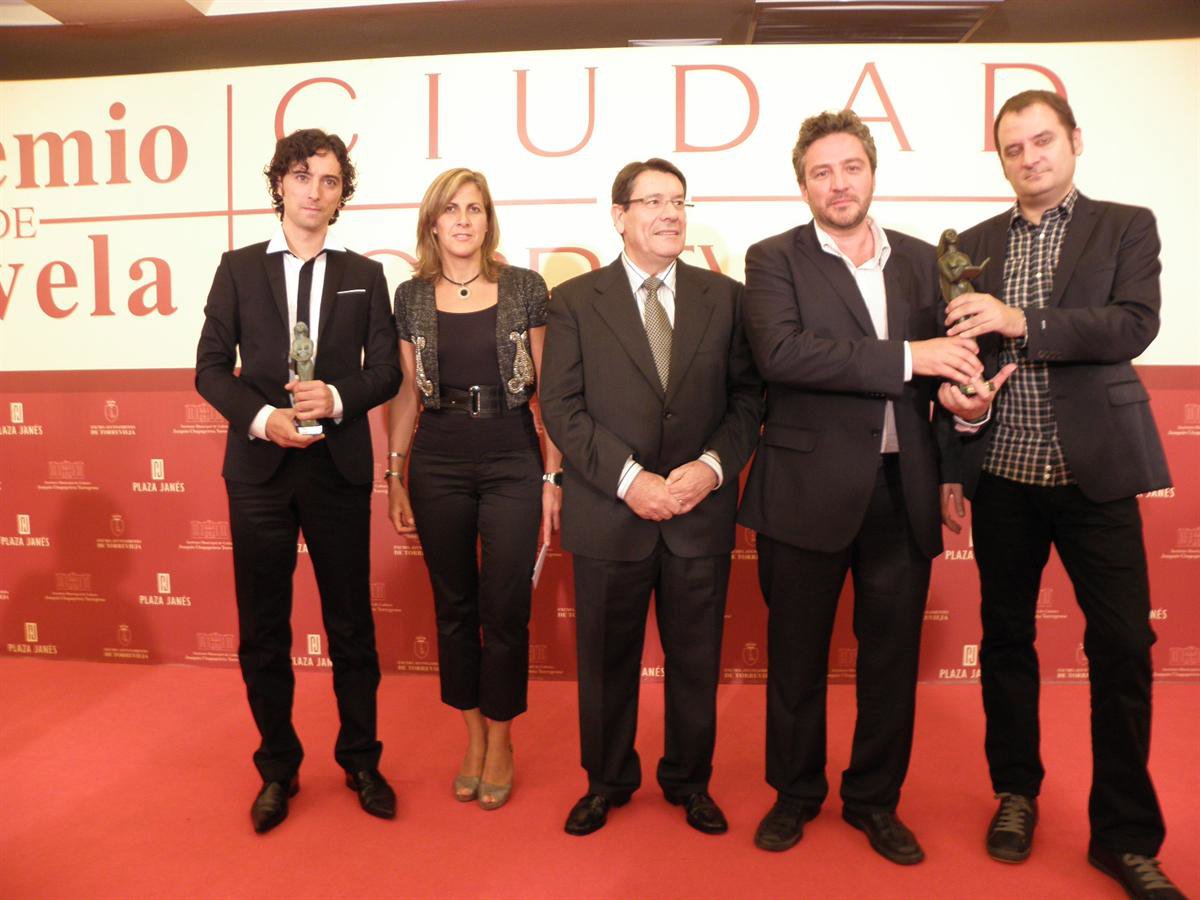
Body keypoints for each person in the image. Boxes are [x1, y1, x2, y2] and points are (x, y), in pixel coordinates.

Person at [938, 89, 1183, 898]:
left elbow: (1132, 324)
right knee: (1005, 642)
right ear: (1001, 160)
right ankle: (1016, 793)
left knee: (1123, 648)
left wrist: (1023, 320)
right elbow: (959, 360)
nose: (1030, 157)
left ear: (1074, 140)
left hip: (1095, 476)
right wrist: (957, 439)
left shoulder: (1126, 225)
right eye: (1013, 148)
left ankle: (1124, 836)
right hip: (1003, 476)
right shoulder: (973, 244)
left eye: (1042, 140)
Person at [737, 110, 997, 865]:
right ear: (803, 186)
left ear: (872, 173)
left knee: (890, 663)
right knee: (796, 659)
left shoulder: (923, 261)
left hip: (900, 490)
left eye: (850, 167)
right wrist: (912, 357)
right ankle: (795, 794)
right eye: (821, 172)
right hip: (804, 490)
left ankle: (875, 800)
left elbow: (953, 372)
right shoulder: (772, 259)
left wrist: (957, 444)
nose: (838, 183)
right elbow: (785, 354)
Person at [540, 158, 763, 837]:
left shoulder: (725, 298)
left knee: (696, 662)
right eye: (653, 201)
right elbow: (561, 407)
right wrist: (630, 479)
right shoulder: (575, 301)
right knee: (605, 665)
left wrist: (712, 468)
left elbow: (748, 398)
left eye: (679, 201)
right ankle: (606, 781)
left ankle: (689, 781)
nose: (670, 214)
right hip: (611, 514)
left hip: (699, 514)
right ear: (620, 216)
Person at [195, 128, 400, 833]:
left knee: (351, 625)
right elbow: (209, 369)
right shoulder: (237, 269)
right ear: (280, 183)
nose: (316, 191)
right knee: (263, 628)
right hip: (260, 471)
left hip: (337, 468)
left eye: (331, 180)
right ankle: (277, 768)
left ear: (343, 196)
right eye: (304, 176)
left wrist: (337, 397)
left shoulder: (364, 274)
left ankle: (362, 761)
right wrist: (263, 419)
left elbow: (386, 373)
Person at [385, 167, 562, 811]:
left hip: (512, 453)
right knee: (454, 606)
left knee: (505, 607)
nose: (463, 220)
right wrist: (394, 473)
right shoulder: (411, 297)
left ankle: (503, 739)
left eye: (475, 208)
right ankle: (474, 736)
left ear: (489, 220)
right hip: (438, 458)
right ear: (433, 224)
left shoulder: (524, 288)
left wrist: (552, 476)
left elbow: (550, 390)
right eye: (451, 209)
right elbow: (406, 393)